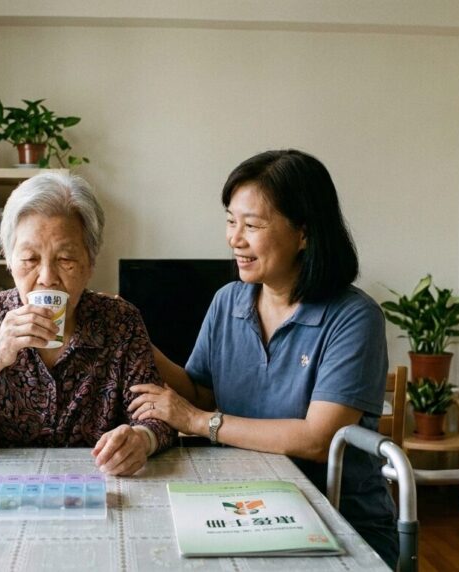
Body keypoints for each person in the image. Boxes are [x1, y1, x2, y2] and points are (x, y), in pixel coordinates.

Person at [128, 149, 398, 566]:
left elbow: (317, 439)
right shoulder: (227, 301)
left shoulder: (353, 317)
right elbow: (200, 391)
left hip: (338, 519)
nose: (235, 238)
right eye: (231, 221)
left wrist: (200, 423)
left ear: (304, 233)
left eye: (252, 225)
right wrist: (133, 332)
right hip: (245, 505)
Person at [0, 173, 175, 476]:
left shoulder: (120, 322)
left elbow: (158, 418)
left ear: (90, 263)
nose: (46, 277)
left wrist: (142, 440)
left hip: (94, 488)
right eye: (30, 258)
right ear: (9, 260)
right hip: (1, 492)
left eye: (65, 258)